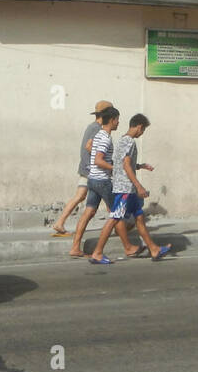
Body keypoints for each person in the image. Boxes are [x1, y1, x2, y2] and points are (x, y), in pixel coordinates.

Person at [89, 114, 171, 264]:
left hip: (128, 188)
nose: (142, 133)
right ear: (139, 127)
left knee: (139, 217)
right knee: (114, 218)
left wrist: (140, 166)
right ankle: (97, 253)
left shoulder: (122, 140)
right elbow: (126, 165)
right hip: (125, 189)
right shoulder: (130, 142)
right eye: (143, 130)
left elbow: (122, 163)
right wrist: (139, 186)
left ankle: (154, 249)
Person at [69, 106, 139, 259]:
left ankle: (75, 247)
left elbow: (91, 150)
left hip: (93, 179)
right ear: (112, 120)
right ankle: (127, 247)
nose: (119, 123)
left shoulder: (99, 135)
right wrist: (115, 168)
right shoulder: (105, 138)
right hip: (102, 181)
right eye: (117, 120)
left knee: (89, 212)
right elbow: (98, 160)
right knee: (117, 214)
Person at [52, 100, 110, 236]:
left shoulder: (92, 126)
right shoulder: (97, 129)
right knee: (109, 198)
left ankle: (59, 223)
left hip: (86, 168)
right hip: (92, 169)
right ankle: (122, 224)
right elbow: (89, 147)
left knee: (80, 196)